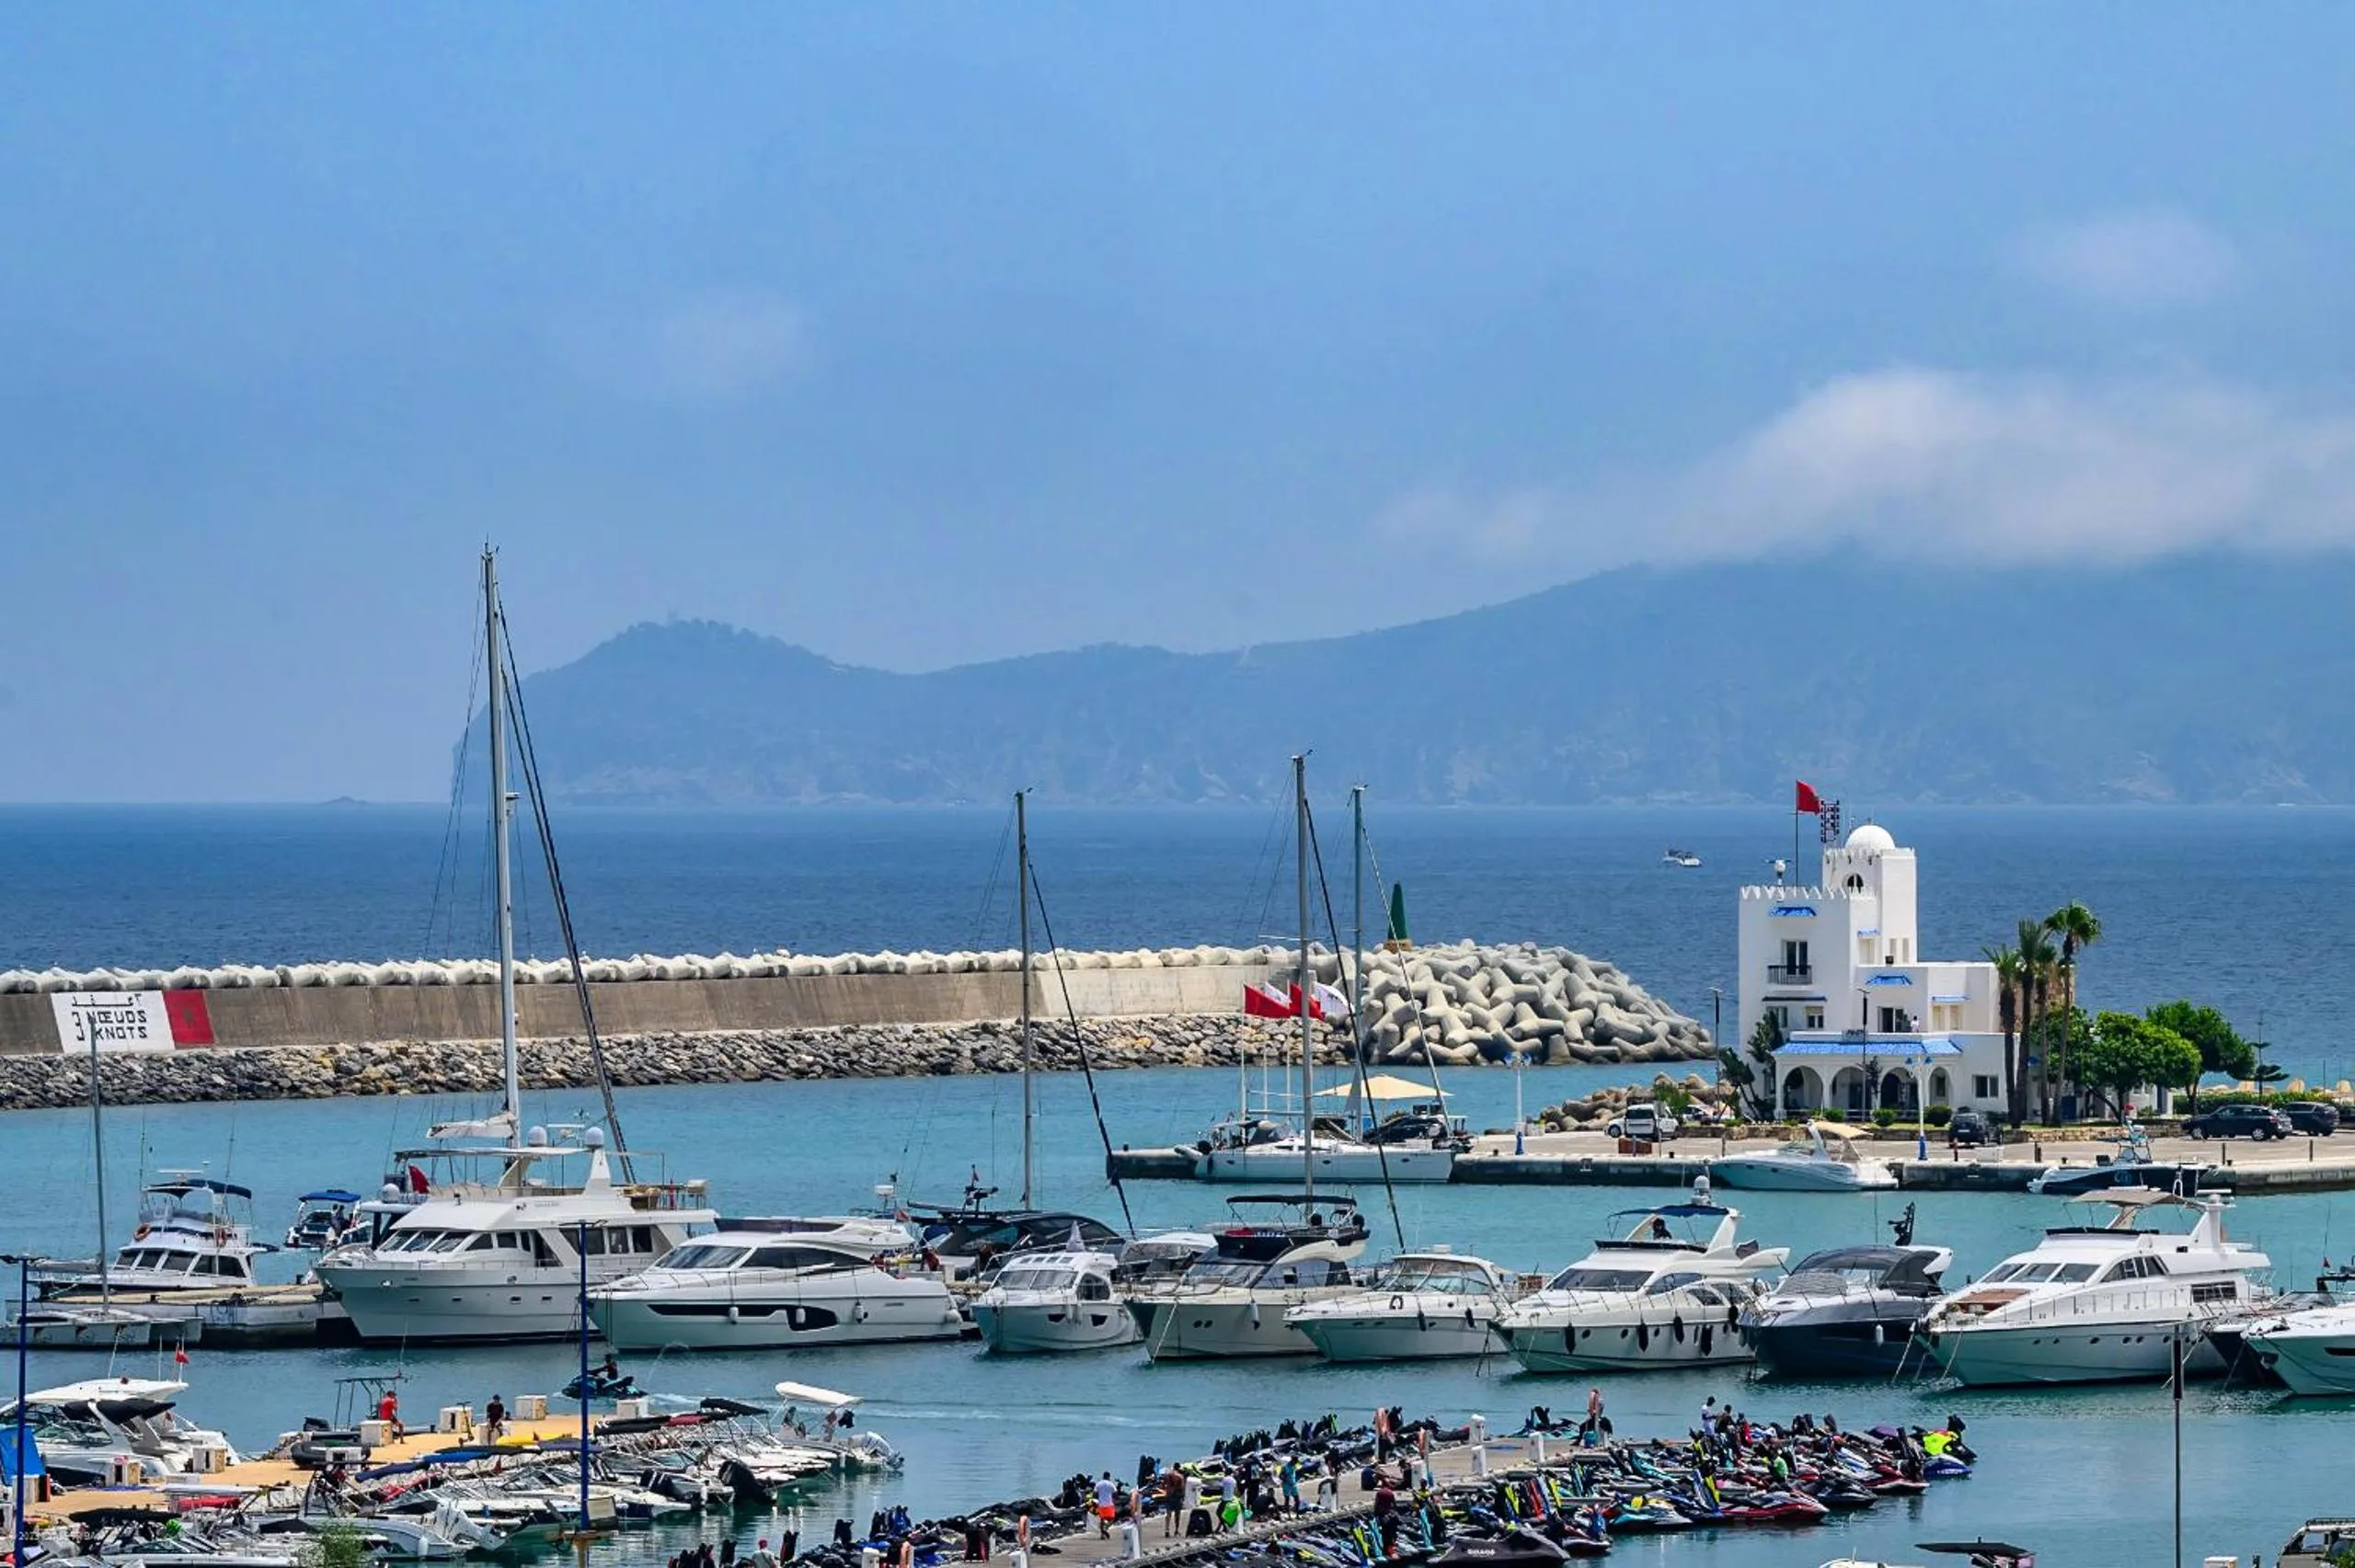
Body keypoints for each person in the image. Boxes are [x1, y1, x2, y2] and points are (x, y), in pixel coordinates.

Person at [1095, 1471, 1118, 1539]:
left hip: (1101, 1504)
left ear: (1103, 1476)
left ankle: (1102, 1535)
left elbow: (1095, 1493)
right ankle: (1106, 1527)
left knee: (1102, 1519)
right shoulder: (1111, 1484)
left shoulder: (1099, 1484)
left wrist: (1098, 1497)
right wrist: (1114, 1498)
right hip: (1109, 1503)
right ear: (1108, 1477)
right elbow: (1115, 1493)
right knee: (1112, 1518)